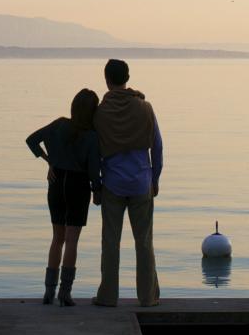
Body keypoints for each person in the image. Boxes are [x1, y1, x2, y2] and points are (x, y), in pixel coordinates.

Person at [91, 58, 163, 308]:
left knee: (110, 242)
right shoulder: (145, 108)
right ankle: (148, 296)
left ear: (107, 79)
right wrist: (155, 179)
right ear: (128, 77)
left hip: (112, 184)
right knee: (143, 242)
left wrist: (96, 185)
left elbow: (94, 152)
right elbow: (157, 147)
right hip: (141, 182)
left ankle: (108, 296)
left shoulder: (100, 112)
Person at [26, 88, 100, 306]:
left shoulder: (58, 125)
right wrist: (97, 191)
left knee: (57, 239)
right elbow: (94, 170)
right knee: (72, 241)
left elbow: (31, 140)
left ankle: (48, 292)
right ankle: (65, 293)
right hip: (78, 185)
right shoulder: (92, 137)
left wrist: (49, 160)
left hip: (56, 182)